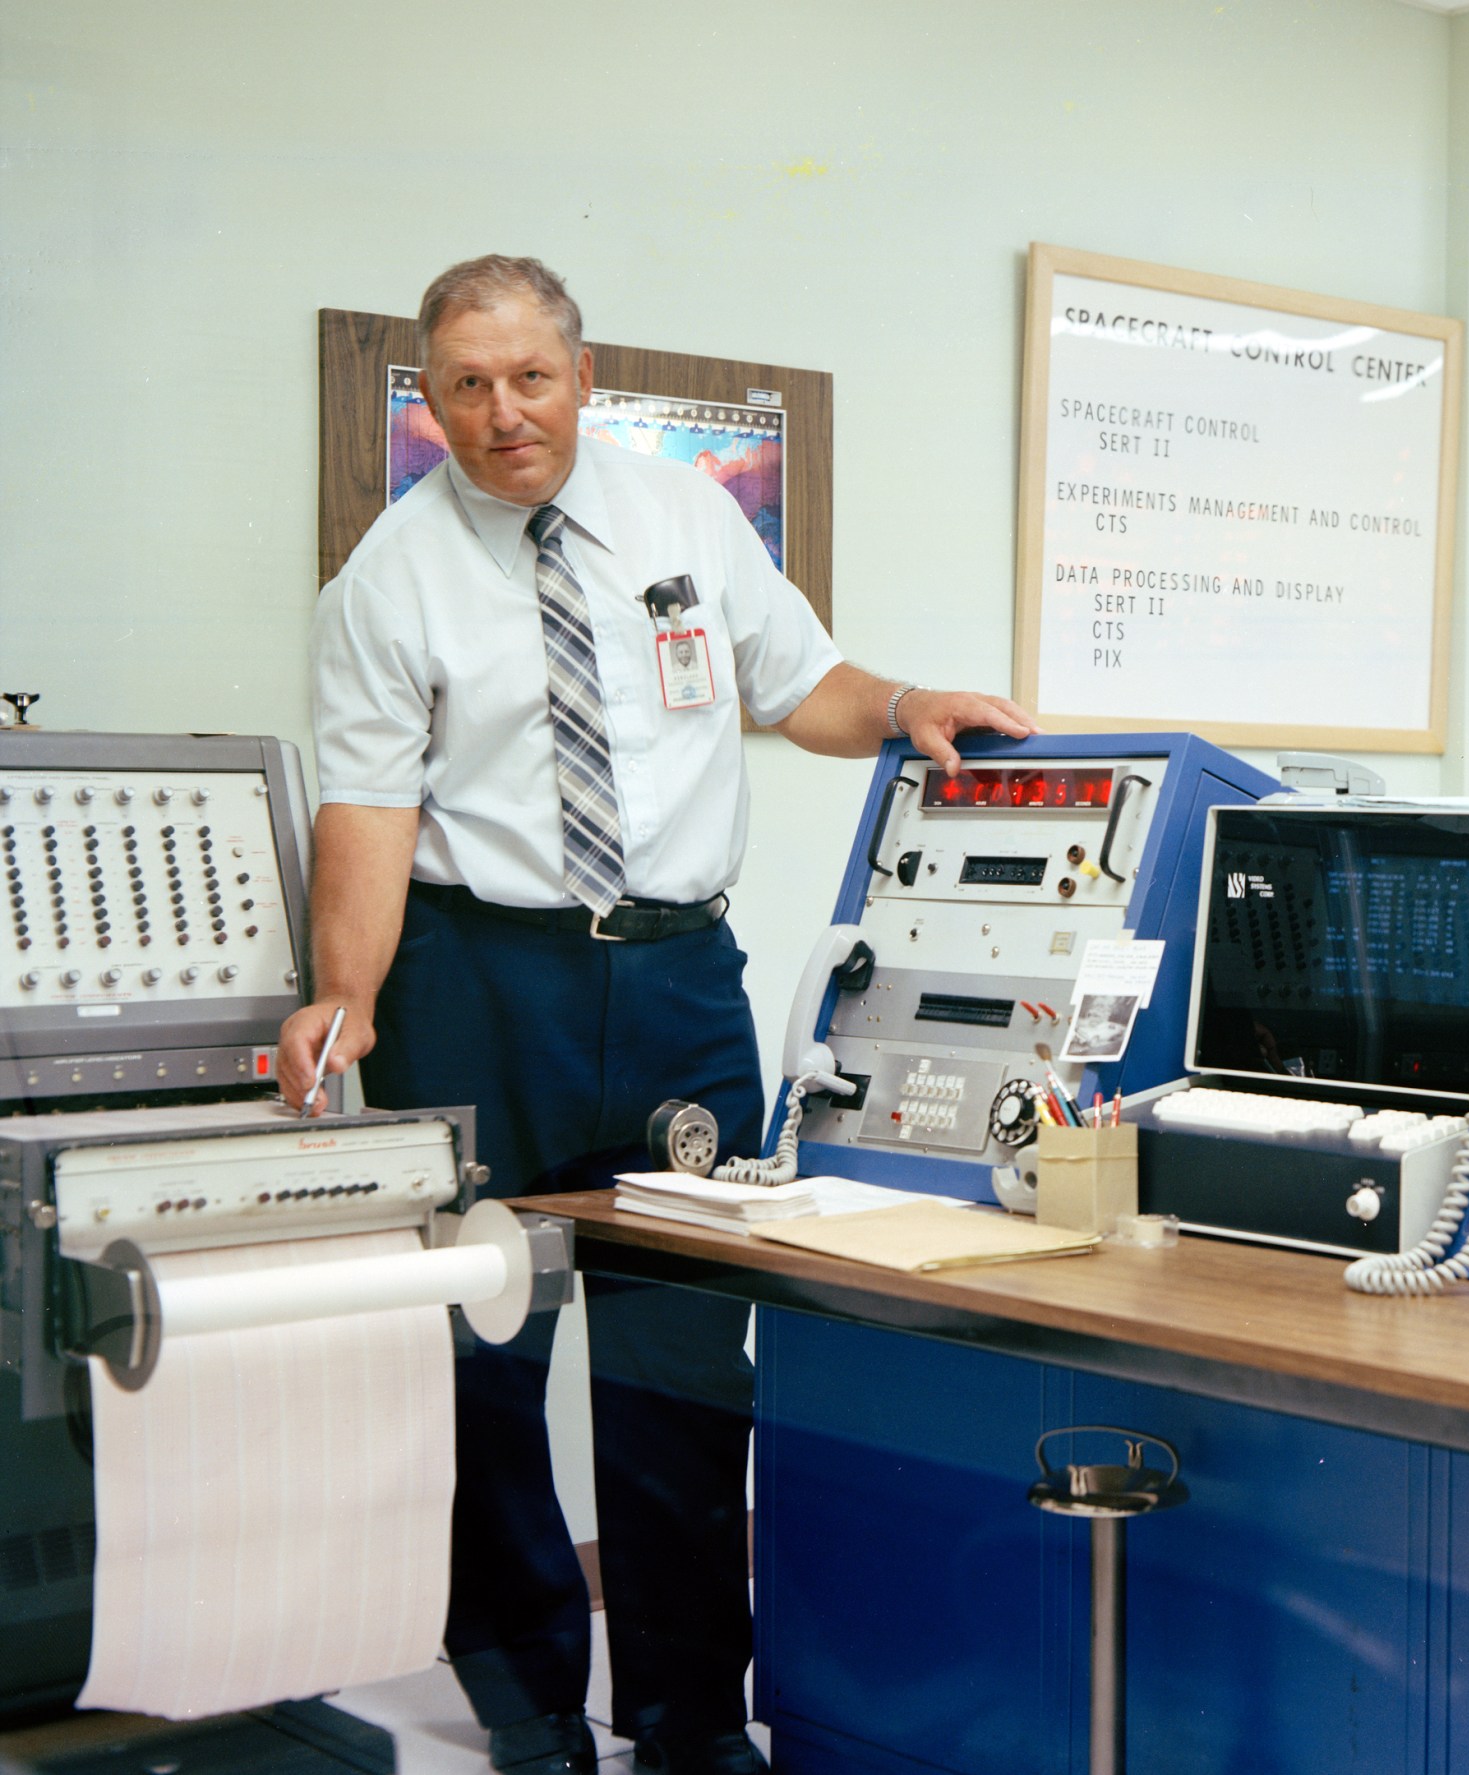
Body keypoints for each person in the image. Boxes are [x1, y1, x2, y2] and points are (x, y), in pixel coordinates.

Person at [277, 254, 1035, 1775]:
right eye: (470, 386)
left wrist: (902, 710)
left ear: (581, 369)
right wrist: (342, 1002)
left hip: (683, 981)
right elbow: (369, 809)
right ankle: (528, 1703)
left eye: (531, 378)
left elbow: (798, 680)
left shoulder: (685, 515)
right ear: (432, 397)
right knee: (486, 1353)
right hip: (479, 983)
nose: (505, 416)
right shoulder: (388, 582)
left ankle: (692, 1717)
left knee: (686, 1356)